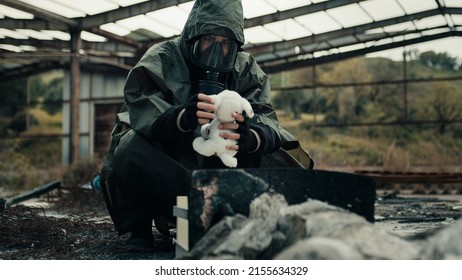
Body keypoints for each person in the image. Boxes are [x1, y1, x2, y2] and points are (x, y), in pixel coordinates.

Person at [100, 0, 313, 249]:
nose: (217, 49)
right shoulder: (162, 58)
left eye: (225, 43)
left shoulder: (245, 67)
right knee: (128, 145)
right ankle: (140, 226)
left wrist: (251, 136)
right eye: (209, 38)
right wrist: (180, 117)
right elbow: (141, 106)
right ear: (194, 35)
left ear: (236, 44)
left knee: (279, 148)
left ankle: (256, 215)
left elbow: (265, 114)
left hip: (223, 166)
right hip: (172, 166)